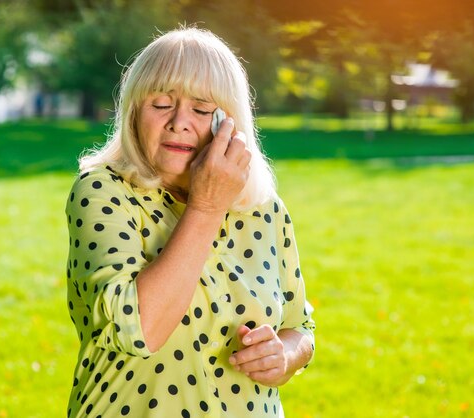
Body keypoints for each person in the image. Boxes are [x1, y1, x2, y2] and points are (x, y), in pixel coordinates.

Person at [65, 27, 315, 418]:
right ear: (133, 111)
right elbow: (137, 331)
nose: (179, 122)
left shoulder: (266, 209)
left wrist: (284, 356)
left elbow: (300, 326)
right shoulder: (102, 191)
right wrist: (207, 206)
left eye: (201, 109)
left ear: (230, 123)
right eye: (161, 103)